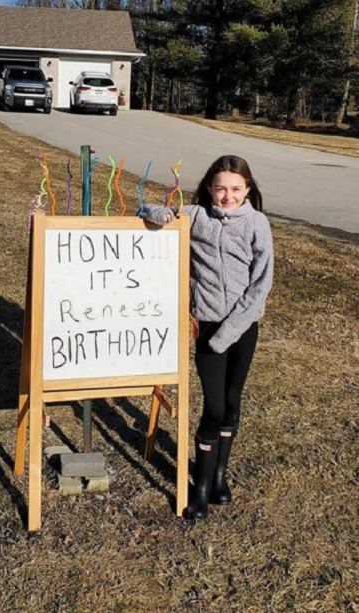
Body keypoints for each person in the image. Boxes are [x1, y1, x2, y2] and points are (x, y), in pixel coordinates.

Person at [140, 155, 274, 521]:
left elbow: (261, 283)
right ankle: (199, 485)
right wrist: (159, 214)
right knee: (213, 407)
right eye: (220, 189)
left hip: (243, 328)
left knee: (231, 402)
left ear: (247, 189)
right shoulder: (196, 216)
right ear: (209, 189)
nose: (228, 196)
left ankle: (218, 476)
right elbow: (148, 209)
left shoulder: (257, 223)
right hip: (208, 329)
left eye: (235, 189)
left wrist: (232, 331)